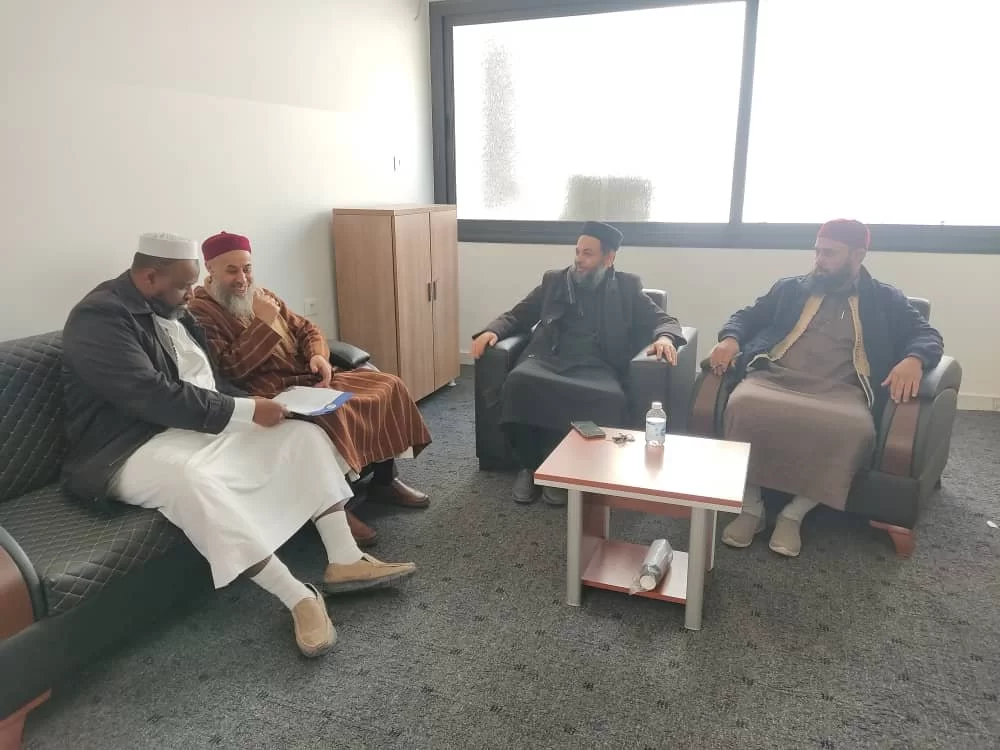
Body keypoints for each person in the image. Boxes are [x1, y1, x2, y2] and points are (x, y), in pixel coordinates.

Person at [61, 232, 417, 659]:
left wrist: (266, 407)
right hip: (128, 445)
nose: (191, 294)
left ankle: (344, 558)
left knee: (302, 435)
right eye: (183, 285)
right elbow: (151, 395)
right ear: (149, 277)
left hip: (194, 424)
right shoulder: (99, 317)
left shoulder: (175, 310)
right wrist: (246, 410)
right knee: (192, 480)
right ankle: (299, 597)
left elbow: (211, 381)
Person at [709, 219, 943, 557]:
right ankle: (751, 507)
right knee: (742, 405)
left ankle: (794, 514)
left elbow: (927, 335)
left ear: (858, 255)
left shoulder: (885, 298)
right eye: (817, 251)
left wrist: (914, 359)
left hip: (842, 391)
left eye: (830, 253)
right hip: (774, 378)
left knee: (854, 429)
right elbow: (746, 316)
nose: (819, 260)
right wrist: (730, 339)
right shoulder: (791, 288)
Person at [186, 231, 433, 549]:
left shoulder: (263, 296)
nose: (242, 279)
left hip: (307, 378)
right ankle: (334, 509)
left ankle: (385, 480)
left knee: (388, 385)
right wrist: (264, 324)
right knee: (333, 414)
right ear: (210, 269)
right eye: (231, 270)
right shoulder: (200, 313)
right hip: (267, 393)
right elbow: (229, 369)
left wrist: (318, 355)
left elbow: (307, 329)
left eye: (247, 268)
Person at [470, 221, 686, 505]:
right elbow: (518, 314)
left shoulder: (627, 286)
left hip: (598, 366)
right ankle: (529, 466)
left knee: (608, 398)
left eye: (588, 254)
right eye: (577, 252)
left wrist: (666, 338)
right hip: (548, 359)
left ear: (609, 258)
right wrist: (493, 331)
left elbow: (664, 320)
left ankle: (566, 471)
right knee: (518, 382)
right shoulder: (555, 281)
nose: (578, 260)